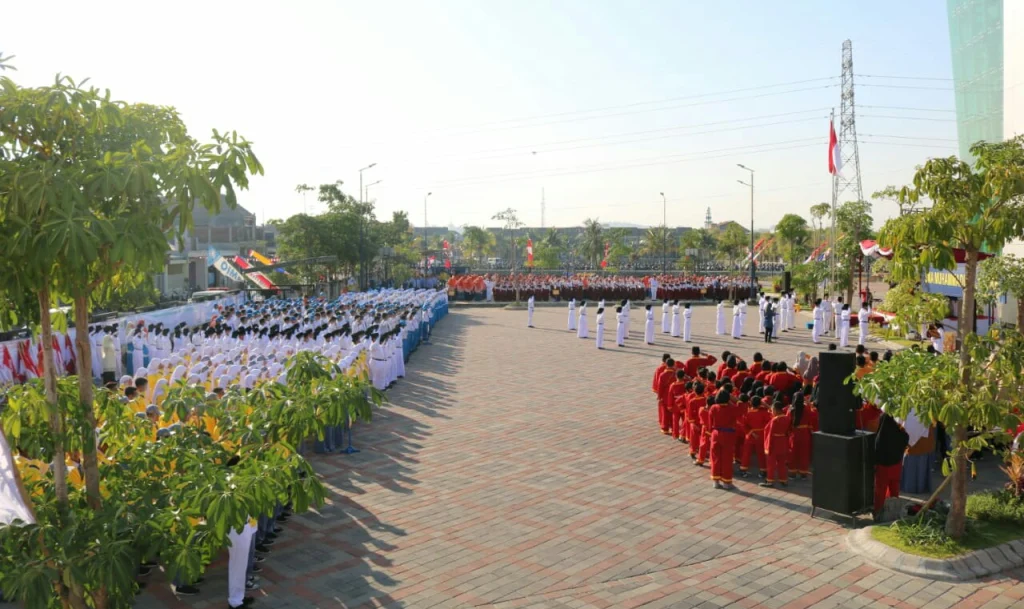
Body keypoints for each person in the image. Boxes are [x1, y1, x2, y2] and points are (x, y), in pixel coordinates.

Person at [874, 412, 910, 515]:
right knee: (894, 488)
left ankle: (878, 512)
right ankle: (894, 510)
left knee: (880, 490)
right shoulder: (900, 432)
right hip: (896, 462)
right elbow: (905, 439)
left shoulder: (880, 435)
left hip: (882, 464)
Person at [708, 389, 740, 490]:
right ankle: (726, 482)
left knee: (715, 458)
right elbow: (742, 406)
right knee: (727, 459)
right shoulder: (732, 408)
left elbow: (710, 424)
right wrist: (733, 399)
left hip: (715, 434)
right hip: (728, 435)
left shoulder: (713, 407)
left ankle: (715, 481)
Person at [761, 401, 792, 488]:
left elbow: (769, 433)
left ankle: (770, 481)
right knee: (782, 463)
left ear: (775, 409)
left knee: (771, 463)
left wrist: (768, 446)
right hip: (782, 442)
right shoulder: (787, 418)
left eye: (772, 410)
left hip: (774, 443)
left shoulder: (775, 420)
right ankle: (783, 480)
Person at [740, 396, 770, 478]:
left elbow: (744, 425)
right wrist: (766, 406)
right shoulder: (764, 412)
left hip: (750, 435)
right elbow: (771, 417)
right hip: (761, 435)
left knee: (746, 453)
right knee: (761, 454)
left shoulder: (747, 413)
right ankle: (763, 471)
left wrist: (752, 433)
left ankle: (743, 470)